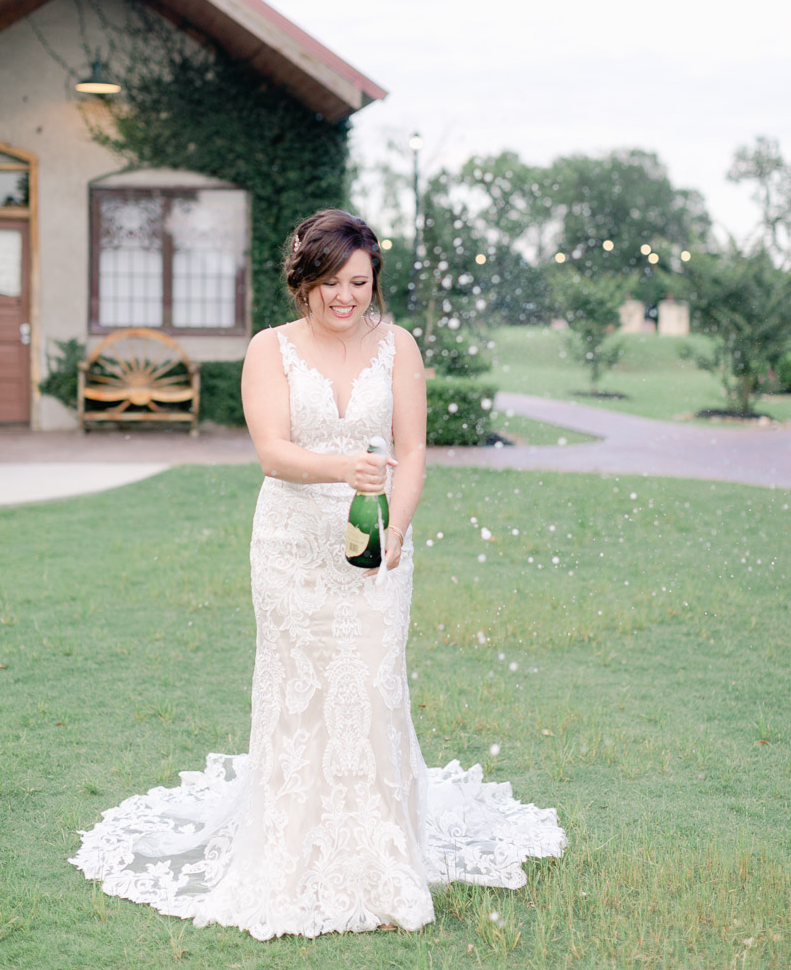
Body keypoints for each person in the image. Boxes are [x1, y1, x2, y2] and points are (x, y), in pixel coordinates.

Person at [70, 208, 565, 939]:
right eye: (331, 282)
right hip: (291, 545)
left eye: (359, 282)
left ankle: (378, 852)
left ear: (374, 281)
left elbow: (414, 450)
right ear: (304, 281)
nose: (345, 296)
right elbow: (272, 452)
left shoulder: (399, 347)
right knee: (298, 693)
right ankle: (290, 852)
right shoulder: (269, 350)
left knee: (368, 685)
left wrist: (396, 524)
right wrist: (347, 469)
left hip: (375, 547)